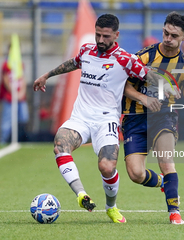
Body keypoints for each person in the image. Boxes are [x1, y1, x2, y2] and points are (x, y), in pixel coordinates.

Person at [33, 14, 160, 223]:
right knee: (60, 144)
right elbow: (73, 63)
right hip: (80, 117)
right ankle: (81, 194)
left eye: (106, 36)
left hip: (106, 120)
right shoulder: (86, 50)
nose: (100, 40)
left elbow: (148, 76)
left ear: (116, 35)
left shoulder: (126, 59)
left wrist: (169, 88)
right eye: (98, 34)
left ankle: (111, 207)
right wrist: (47, 75)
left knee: (107, 167)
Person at [122, 12, 184, 225]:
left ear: (183, 38)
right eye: (165, 33)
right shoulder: (143, 57)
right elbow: (124, 86)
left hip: (164, 117)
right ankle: (162, 182)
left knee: (166, 162)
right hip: (135, 117)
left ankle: (174, 212)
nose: (168, 38)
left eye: (173, 36)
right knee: (136, 174)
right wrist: (144, 99)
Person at [0, 45, 29, 144]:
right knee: (7, 120)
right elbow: (6, 79)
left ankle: (21, 138)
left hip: (20, 97)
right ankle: (3, 140)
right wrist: (14, 92)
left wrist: (21, 93)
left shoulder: (20, 63)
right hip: (9, 97)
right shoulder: (6, 64)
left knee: (24, 117)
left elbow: (23, 78)